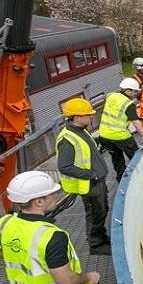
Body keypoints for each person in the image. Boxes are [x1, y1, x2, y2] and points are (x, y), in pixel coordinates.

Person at [0, 171, 117, 284]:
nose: (56, 196)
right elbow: (65, 281)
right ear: (39, 201)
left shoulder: (4, 224)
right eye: (52, 193)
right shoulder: (51, 236)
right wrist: (89, 277)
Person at [56, 98, 111, 255]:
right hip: (90, 184)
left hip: (96, 181)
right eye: (88, 114)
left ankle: (101, 237)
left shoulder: (81, 131)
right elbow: (64, 166)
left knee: (102, 210)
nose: (91, 117)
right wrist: (91, 175)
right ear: (77, 117)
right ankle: (96, 245)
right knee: (95, 213)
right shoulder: (67, 139)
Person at [98, 78, 143, 182]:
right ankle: (142, 179)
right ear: (128, 90)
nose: (135, 94)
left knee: (117, 159)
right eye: (134, 91)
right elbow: (136, 122)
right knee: (136, 157)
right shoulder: (128, 104)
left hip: (104, 136)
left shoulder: (111, 96)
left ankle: (121, 180)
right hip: (120, 136)